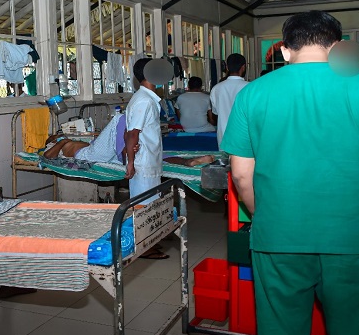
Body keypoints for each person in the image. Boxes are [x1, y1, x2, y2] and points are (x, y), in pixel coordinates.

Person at [221, 10, 359, 335]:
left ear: (285, 50)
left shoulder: (253, 93)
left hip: (279, 237)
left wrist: (262, 214)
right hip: (353, 239)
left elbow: (241, 175)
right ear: (337, 47)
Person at [125, 58, 170, 260]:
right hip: (143, 163)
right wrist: (131, 162)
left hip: (149, 160)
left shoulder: (147, 99)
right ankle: (143, 246)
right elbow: (132, 133)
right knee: (144, 206)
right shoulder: (143, 100)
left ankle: (149, 241)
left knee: (150, 204)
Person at [43, 114, 214, 167]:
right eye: (53, 137)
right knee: (119, 118)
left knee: (151, 154)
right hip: (89, 155)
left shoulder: (66, 142)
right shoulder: (56, 145)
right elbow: (47, 157)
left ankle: (187, 162)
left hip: (98, 152)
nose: (56, 136)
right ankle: (125, 154)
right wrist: (61, 141)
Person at [210, 53, 248, 147]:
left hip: (224, 137)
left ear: (227, 67)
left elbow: (215, 114)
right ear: (243, 67)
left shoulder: (216, 88)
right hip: (245, 137)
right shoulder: (251, 87)